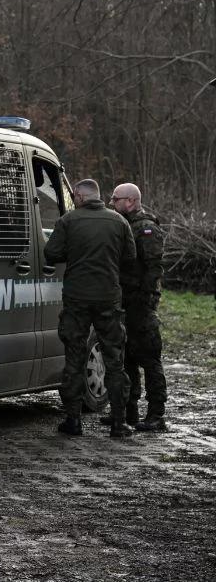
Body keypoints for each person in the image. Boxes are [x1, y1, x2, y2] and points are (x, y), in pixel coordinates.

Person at [44, 179, 137, 437]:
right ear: (99, 196)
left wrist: (75, 253)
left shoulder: (68, 221)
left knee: (74, 359)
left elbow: (50, 253)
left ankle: (73, 421)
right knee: (114, 361)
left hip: (76, 299)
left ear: (79, 197)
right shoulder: (119, 222)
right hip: (108, 299)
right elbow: (130, 258)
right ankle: (119, 423)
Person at [106, 183, 168, 431]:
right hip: (124, 300)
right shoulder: (125, 224)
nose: (112, 203)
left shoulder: (146, 228)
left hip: (140, 303)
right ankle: (128, 411)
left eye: (116, 199)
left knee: (149, 358)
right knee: (126, 357)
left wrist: (145, 299)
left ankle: (156, 414)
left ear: (130, 201)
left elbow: (153, 267)